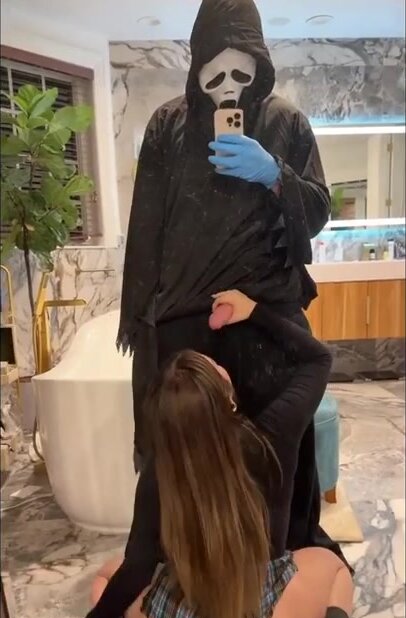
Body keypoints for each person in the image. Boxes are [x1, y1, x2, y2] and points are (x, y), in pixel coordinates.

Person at [42, 290, 353, 618]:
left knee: (108, 575)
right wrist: (255, 311)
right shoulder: (273, 435)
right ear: (227, 397)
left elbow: (136, 570)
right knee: (332, 566)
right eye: (216, 369)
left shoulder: (160, 474)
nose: (222, 364)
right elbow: (318, 359)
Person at [117, 0, 345, 579]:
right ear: (195, 68)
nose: (227, 88)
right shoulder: (168, 126)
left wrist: (276, 176)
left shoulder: (287, 123)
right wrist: (142, 319)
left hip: (267, 316)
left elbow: (319, 210)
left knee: (275, 454)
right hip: (186, 321)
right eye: (213, 74)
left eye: (241, 73)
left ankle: (277, 563)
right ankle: (185, 567)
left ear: (261, 66)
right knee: (182, 457)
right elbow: (146, 226)